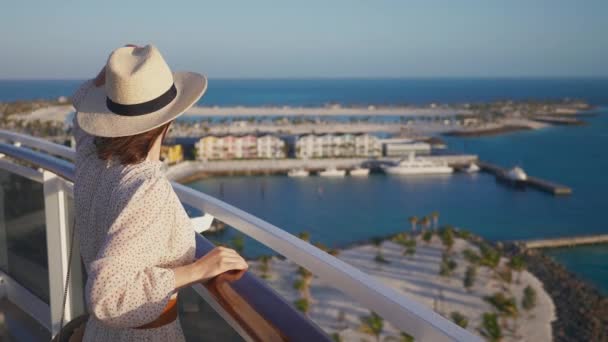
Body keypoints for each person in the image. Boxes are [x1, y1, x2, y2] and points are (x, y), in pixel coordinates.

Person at [71, 44, 248, 341]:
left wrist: (119, 72)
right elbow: (106, 297)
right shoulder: (145, 189)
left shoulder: (91, 155)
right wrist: (199, 270)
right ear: (169, 120)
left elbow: (79, 103)